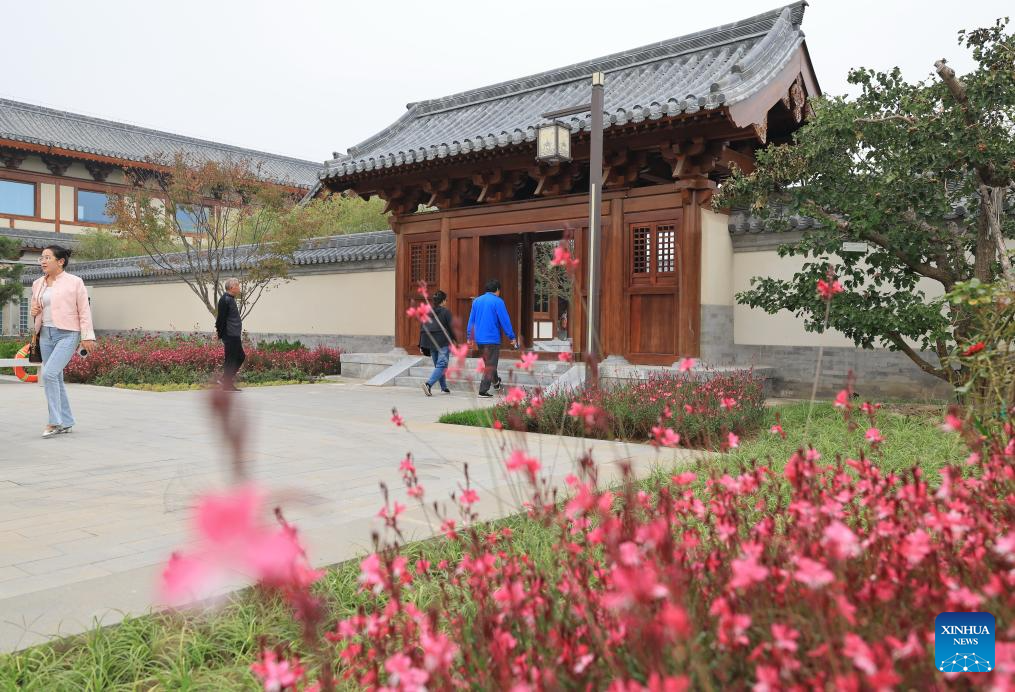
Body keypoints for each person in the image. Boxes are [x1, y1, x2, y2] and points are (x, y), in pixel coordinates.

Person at [30, 245, 96, 438]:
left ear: (60, 261)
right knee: (55, 377)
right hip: (45, 334)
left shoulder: (75, 282)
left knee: (49, 374)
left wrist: (87, 336)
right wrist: (34, 311)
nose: (43, 261)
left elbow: (84, 310)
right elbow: (37, 308)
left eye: (47, 258)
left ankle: (54, 422)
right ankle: (66, 421)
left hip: (68, 334)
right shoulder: (37, 284)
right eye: (41, 258)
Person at [466, 278, 518, 398]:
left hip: (479, 339)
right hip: (492, 339)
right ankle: (483, 391)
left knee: (490, 363)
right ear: (497, 290)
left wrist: (469, 336)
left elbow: (471, 320)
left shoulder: (477, 301)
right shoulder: (498, 301)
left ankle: (496, 383)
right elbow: (505, 321)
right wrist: (511, 337)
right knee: (491, 365)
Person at [419, 290, 454, 396]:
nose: (446, 302)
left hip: (430, 342)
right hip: (442, 342)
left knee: (439, 366)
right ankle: (428, 384)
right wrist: (455, 341)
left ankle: (444, 387)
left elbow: (422, 328)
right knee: (442, 365)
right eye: (446, 300)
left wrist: (421, 344)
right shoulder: (446, 312)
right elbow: (452, 328)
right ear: (443, 301)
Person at [215, 278, 245, 391]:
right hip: (229, 335)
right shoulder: (225, 300)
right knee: (233, 358)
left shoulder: (230, 299)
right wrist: (220, 333)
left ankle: (226, 381)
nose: (239, 288)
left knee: (237, 357)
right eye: (237, 286)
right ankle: (225, 381)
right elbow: (220, 319)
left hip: (234, 334)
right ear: (232, 287)